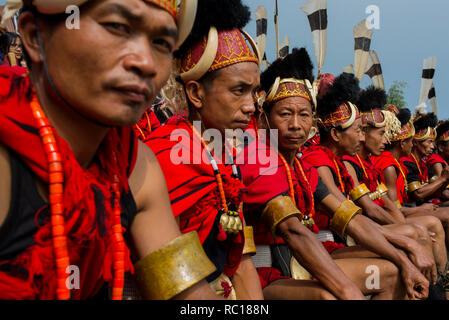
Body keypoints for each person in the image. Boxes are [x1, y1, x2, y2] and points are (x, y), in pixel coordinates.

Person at [0, 0, 221, 300]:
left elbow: (191, 298)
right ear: (34, 36)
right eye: (116, 27)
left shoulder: (136, 165)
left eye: (160, 42)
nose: (145, 62)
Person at [239, 48, 409, 300]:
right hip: (266, 269)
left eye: (304, 115)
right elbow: (293, 230)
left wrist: (406, 247)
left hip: (303, 257)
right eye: (285, 114)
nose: (296, 125)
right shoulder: (262, 158)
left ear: (313, 123)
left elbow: (350, 217)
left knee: (396, 264)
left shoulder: (302, 166)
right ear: (264, 120)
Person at [146, 0, 264, 299]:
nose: (251, 106)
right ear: (196, 93)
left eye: (253, 92)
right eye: (238, 91)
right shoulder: (163, 155)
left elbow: (243, 264)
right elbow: (176, 284)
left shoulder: (225, 156)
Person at [301, 73, 431, 300]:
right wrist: (405, 241)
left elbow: (360, 215)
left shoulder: (337, 163)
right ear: (335, 134)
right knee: (404, 247)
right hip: (321, 246)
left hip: (336, 241)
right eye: (359, 130)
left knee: (411, 238)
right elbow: (356, 217)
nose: (362, 138)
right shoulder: (318, 161)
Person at [342, 87, 448, 293]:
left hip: (373, 226)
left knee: (425, 226)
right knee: (420, 229)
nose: (386, 140)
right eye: (382, 134)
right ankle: (434, 291)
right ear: (362, 133)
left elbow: (388, 204)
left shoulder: (369, 164)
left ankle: (441, 286)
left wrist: (407, 224)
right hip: (354, 233)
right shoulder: (351, 163)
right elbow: (370, 210)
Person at [372, 106, 449, 295]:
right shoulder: (389, 164)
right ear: (403, 144)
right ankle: (438, 289)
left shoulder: (395, 162)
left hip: (392, 215)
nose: (413, 145)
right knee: (434, 221)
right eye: (410, 141)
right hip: (378, 222)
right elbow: (395, 207)